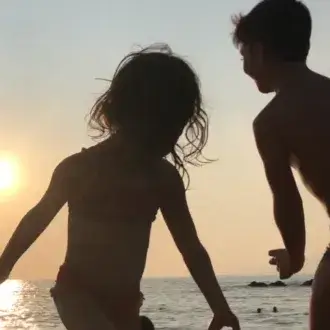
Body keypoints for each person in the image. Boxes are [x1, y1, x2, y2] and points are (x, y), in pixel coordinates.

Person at [0, 44, 240, 330]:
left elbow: (191, 248)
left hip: (127, 301)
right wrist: (4, 265)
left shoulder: (163, 179)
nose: (174, 135)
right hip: (76, 292)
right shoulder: (78, 169)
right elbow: (37, 218)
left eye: (180, 125)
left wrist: (220, 307)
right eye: (167, 124)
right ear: (133, 114)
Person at [232, 0, 330, 329]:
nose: (244, 65)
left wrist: (295, 254)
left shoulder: (272, 121)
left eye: (243, 54)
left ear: (258, 51)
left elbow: (286, 198)